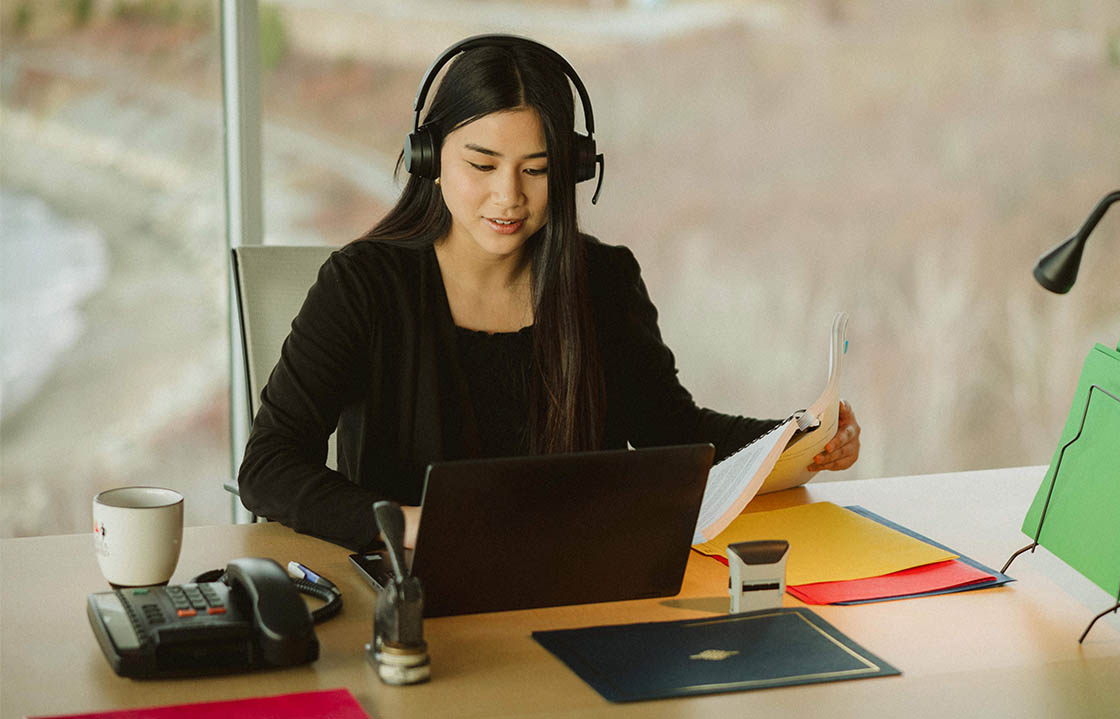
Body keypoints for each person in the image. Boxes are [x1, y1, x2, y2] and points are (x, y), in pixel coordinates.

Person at [237, 36, 861, 551]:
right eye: (482, 166)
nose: (508, 196)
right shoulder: (363, 287)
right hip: (419, 581)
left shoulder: (604, 282)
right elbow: (269, 466)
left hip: (579, 577)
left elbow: (672, 429)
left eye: (536, 170)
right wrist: (410, 526)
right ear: (429, 158)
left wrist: (799, 436)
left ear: (570, 168)